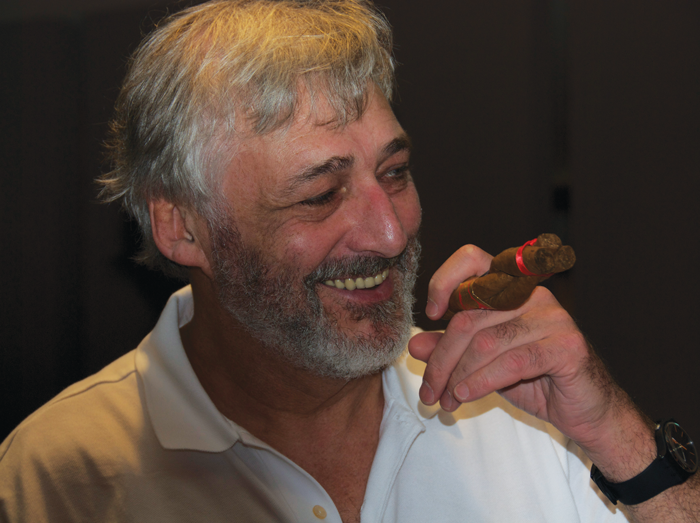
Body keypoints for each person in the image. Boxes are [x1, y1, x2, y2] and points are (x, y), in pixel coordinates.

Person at [1, 1, 697, 521]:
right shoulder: (58, 480)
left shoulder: (520, 414)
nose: (391, 233)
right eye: (321, 194)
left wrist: (620, 439)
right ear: (182, 227)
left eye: (394, 173)